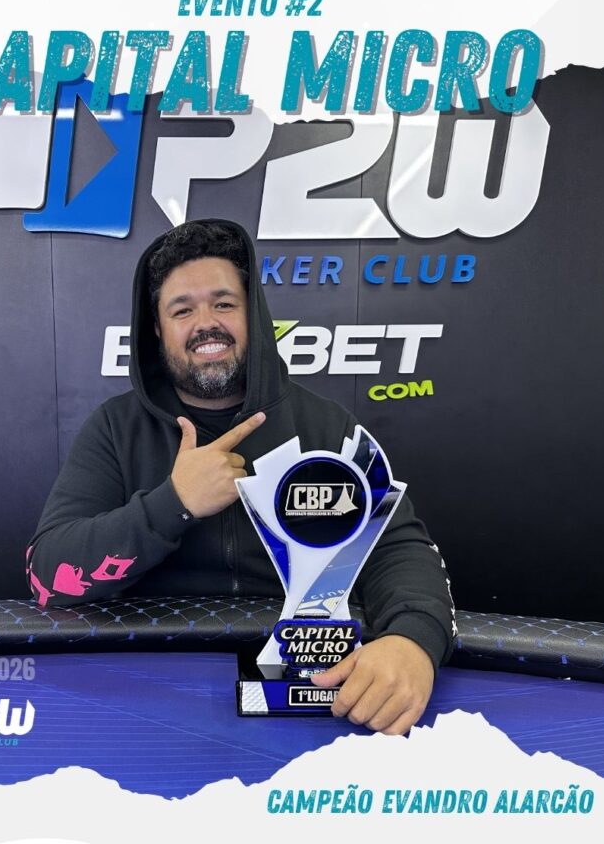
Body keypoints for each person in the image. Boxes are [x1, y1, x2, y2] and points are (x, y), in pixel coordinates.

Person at [27, 218, 455, 733]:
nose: (206, 324)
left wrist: (412, 641)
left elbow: (398, 550)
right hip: (149, 687)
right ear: (157, 330)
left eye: (224, 304)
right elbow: (48, 577)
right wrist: (173, 503)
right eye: (182, 310)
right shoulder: (116, 429)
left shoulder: (325, 425)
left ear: (254, 314)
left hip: (306, 689)